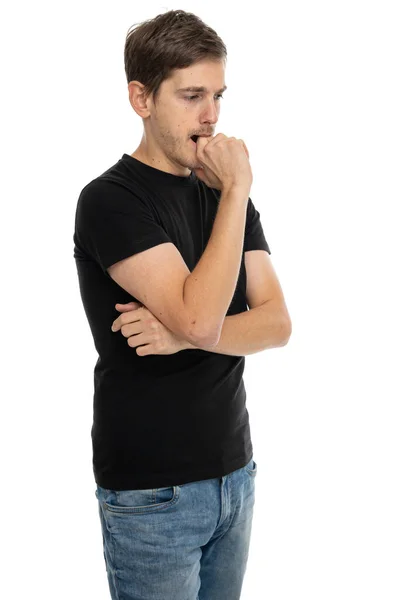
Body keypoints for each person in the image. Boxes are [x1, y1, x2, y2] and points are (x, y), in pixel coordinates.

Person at [73, 9, 291, 600]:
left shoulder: (221, 198)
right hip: (153, 493)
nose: (212, 115)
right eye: (192, 95)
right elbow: (201, 314)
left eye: (218, 95)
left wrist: (184, 333)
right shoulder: (111, 200)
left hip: (234, 475)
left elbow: (277, 323)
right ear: (140, 98)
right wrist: (239, 193)